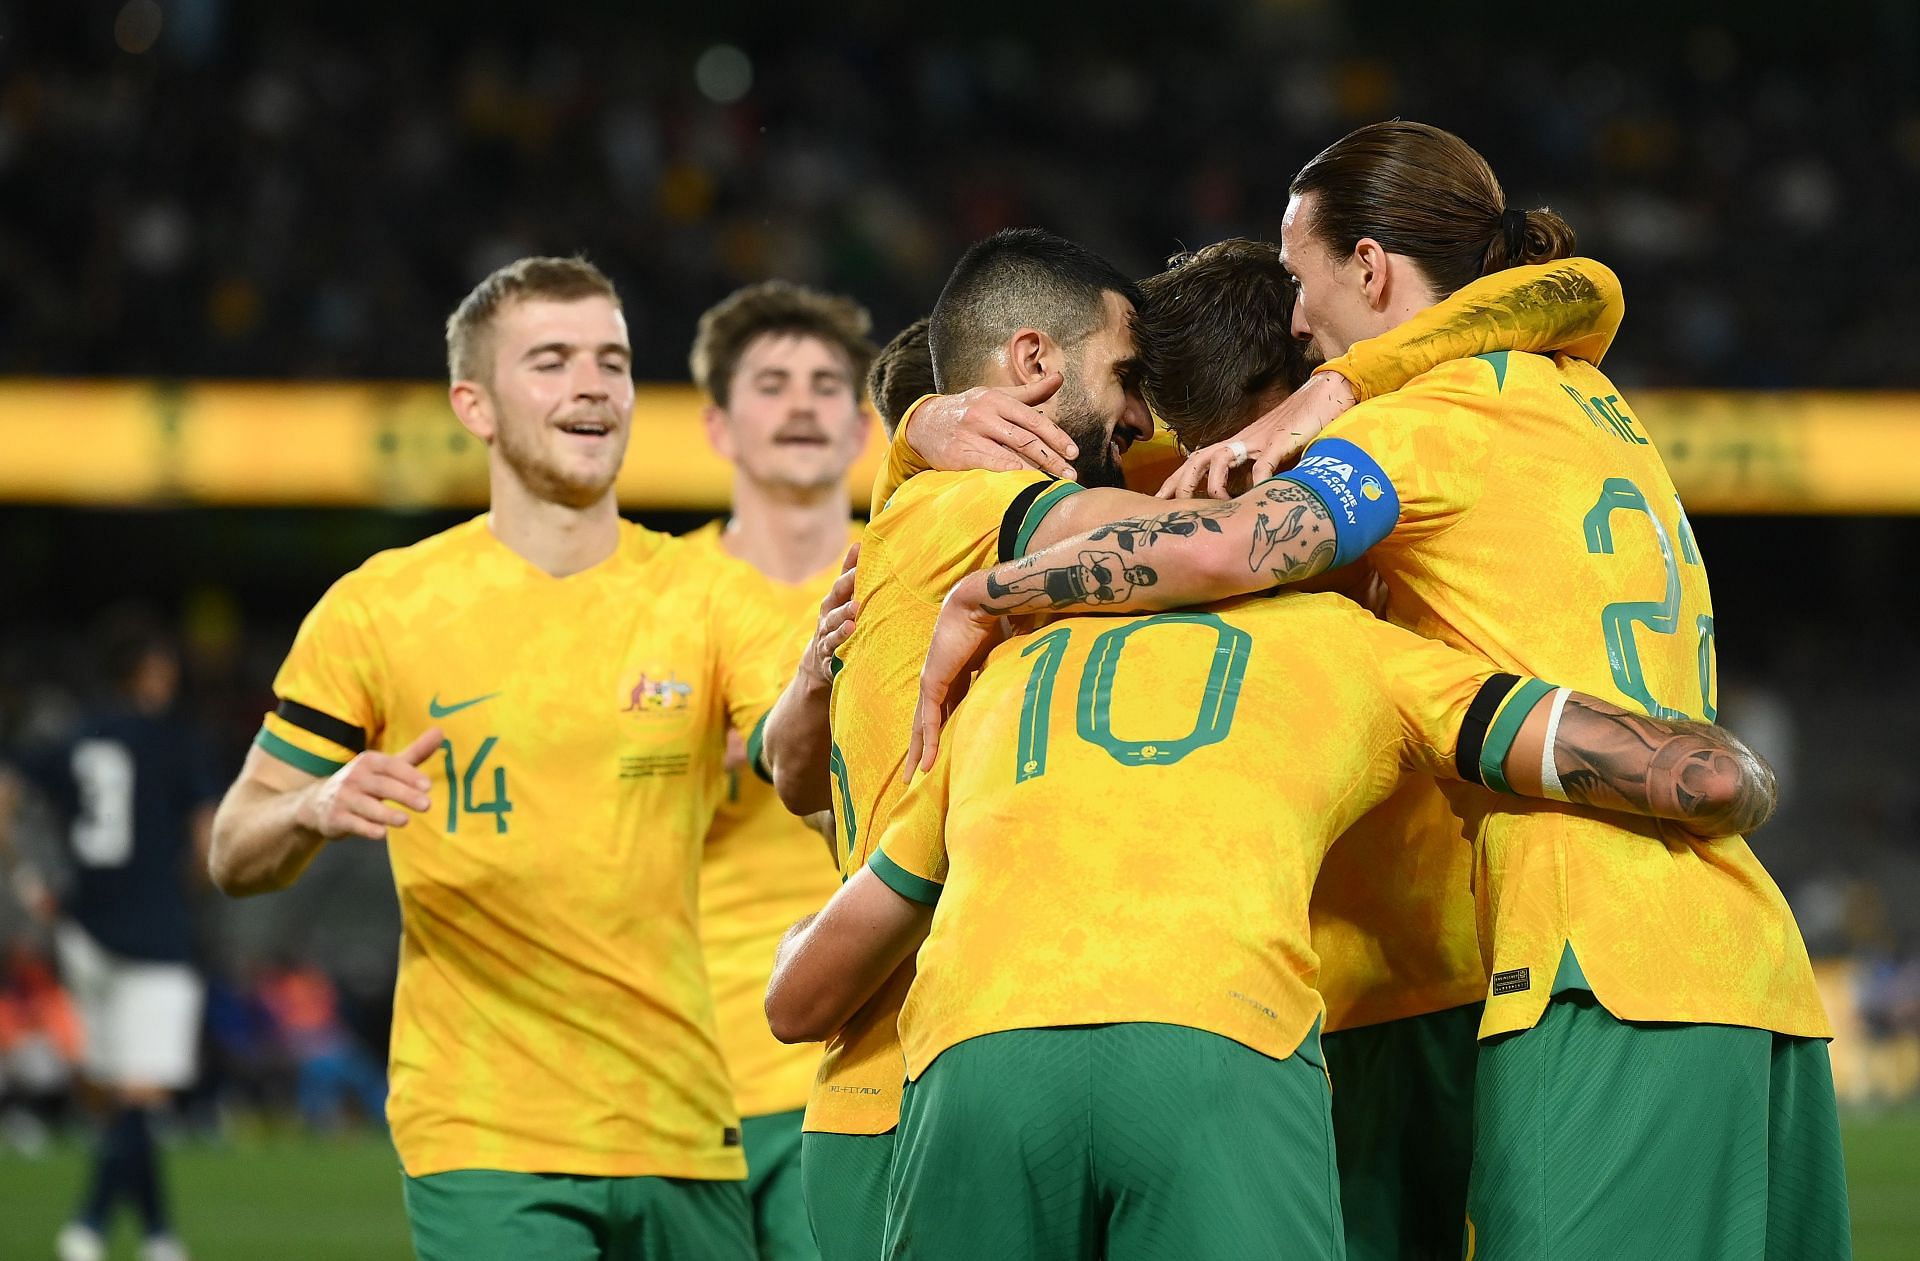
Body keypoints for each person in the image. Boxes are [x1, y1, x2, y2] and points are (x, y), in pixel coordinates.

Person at [917, 123, 1847, 1260]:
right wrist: (920, 417)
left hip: (1593, 956)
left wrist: (999, 589)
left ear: (1368, 268)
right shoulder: (1584, 394)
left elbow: (1226, 549)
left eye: (1304, 283)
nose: (1300, 323)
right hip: (1743, 958)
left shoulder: (1419, 428)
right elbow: (1578, 288)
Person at [756, 226, 1624, 1259]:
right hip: (962, 1052)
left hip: (984, 1047)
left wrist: (914, 431)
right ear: (1034, 364)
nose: (1140, 421)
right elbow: (1206, 545)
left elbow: (790, 768)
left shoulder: (959, 514)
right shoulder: (1017, 510)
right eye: (1128, 383)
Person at [766, 589, 1777, 1261]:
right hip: (1218, 1044)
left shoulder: (1016, 666)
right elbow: (1673, 771)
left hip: (973, 1065)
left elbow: (801, 1000)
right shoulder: (1352, 642)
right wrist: (1729, 779)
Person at [207, 256, 796, 1261]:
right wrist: (314, 804)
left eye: (611, 361)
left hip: (686, 1120)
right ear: (473, 405)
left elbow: (800, 757)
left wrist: (827, 687)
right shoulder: (381, 606)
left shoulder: (712, 595)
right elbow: (233, 845)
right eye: (552, 360)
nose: (593, 386)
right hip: (484, 1130)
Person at [685, 280, 875, 1261]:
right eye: (772, 383)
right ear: (717, 426)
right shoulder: (654, 605)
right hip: (688, 1080)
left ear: (861, 424)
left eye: (825, 383)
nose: (802, 402)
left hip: (868, 1064)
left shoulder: (922, 586)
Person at [0, 615, 219, 1261]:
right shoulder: (176, 740)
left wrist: (24, 877)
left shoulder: (75, 736)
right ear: (153, 671)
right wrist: (189, 893)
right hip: (154, 930)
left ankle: (158, 1234)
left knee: (122, 1095)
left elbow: (7, 788)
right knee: (141, 1096)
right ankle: (89, 1225)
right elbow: (207, 839)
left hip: (84, 929)